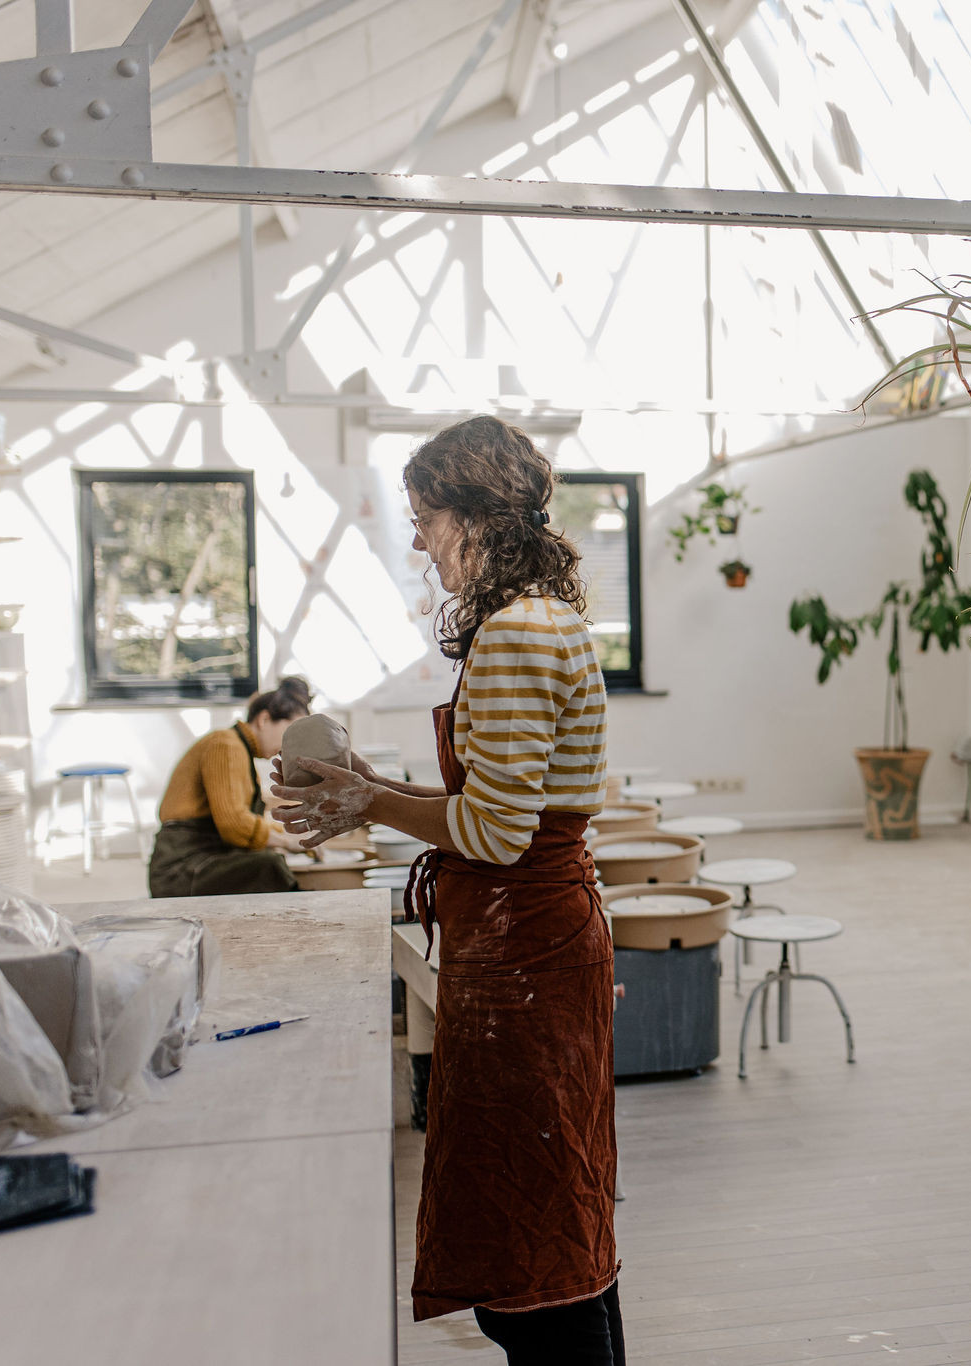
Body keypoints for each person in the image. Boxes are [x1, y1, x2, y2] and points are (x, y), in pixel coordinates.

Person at [270, 415, 619, 1365]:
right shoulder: (548, 621)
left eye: (425, 518)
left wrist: (367, 798)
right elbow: (505, 806)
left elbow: (495, 834)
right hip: (539, 935)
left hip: (524, 954)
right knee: (561, 1220)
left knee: (532, 1259)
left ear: (474, 517)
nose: (419, 541)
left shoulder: (514, 636)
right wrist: (366, 795)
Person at [147, 677, 310, 897]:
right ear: (264, 719)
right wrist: (287, 842)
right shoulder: (225, 745)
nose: (290, 746)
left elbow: (245, 820)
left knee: (274, 862)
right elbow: (235, 825)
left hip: (205, 857)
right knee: (268, 864)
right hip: (182, 869)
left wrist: (291, 835)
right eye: (290, 733)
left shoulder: (239, 749)